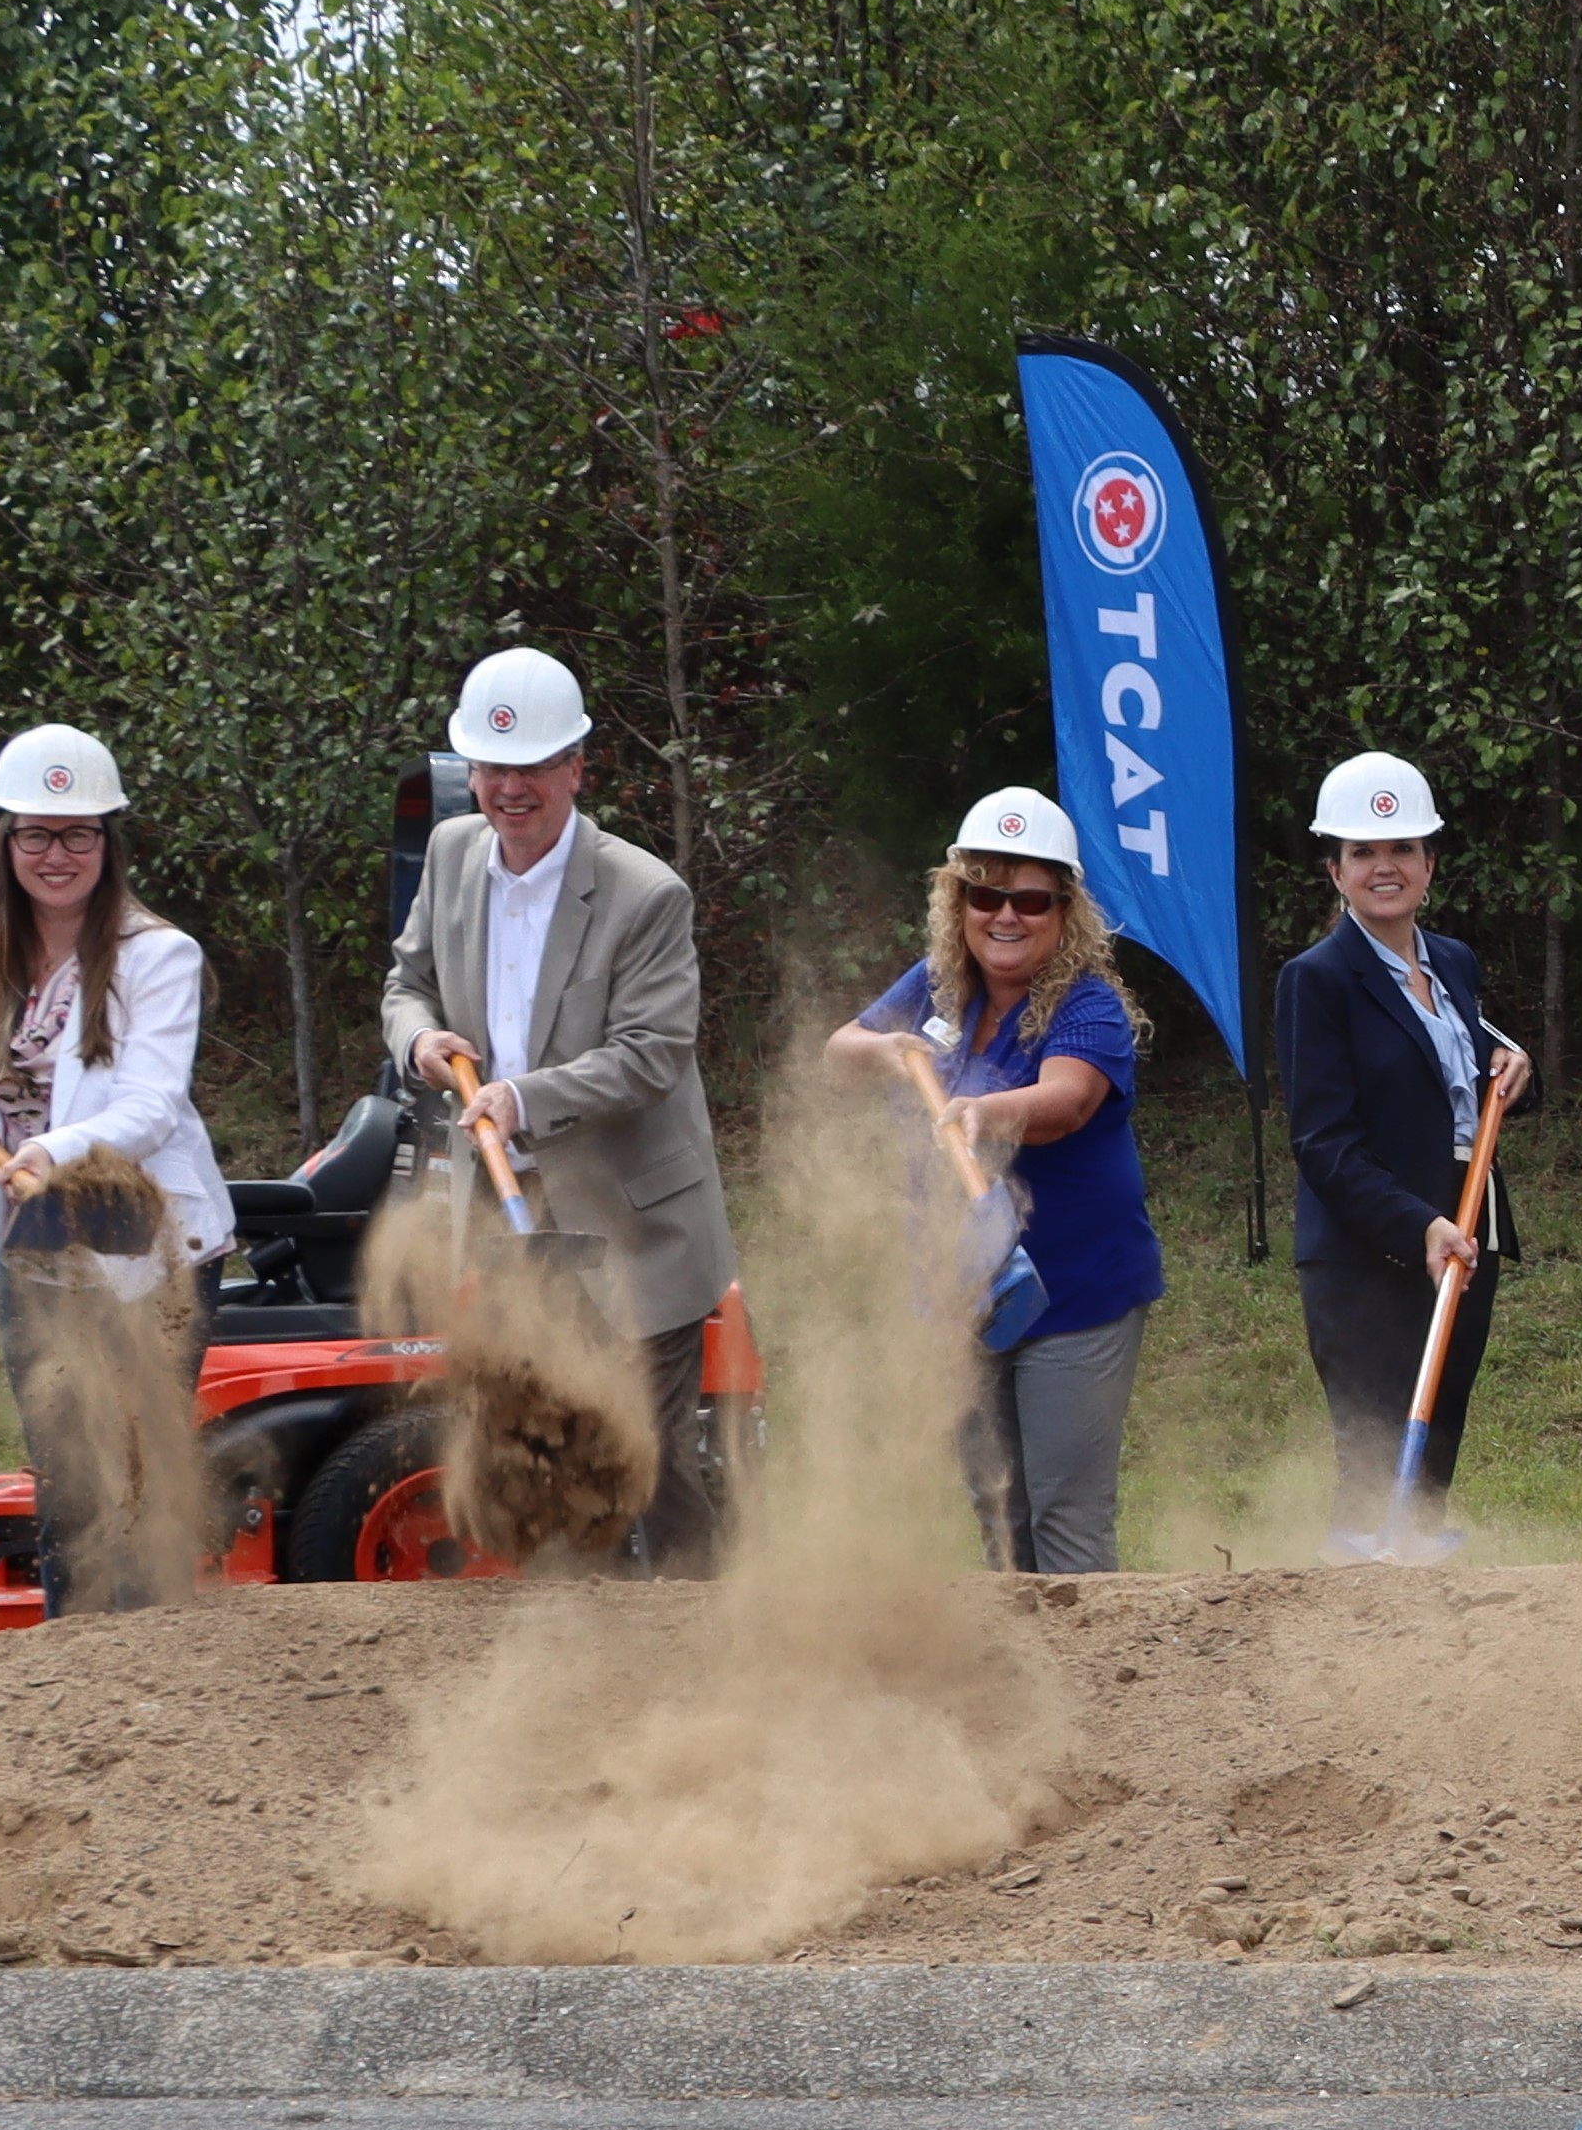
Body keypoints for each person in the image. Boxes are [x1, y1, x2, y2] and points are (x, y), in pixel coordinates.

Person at [380, 646, 743, 1569]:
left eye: (532, 767)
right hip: (510, 1220)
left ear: (576, 767)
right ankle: (574, 1653)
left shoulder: (645, 893)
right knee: (536, 1445)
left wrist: (518, 1098)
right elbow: (407, 983)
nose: (509, 788)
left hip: (631, 1220)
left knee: (641, 1454)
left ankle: (713, 1642)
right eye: (493, 768)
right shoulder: (455, 855)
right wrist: (419, 1041)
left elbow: (651, 1056)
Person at [824, 787, 1158, 1575]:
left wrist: (983, 1111)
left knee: (1064, 1521)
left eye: (1031, 899)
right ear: (958, 900)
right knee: (997, 1515)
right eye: (984, 894)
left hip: (1076, 1295)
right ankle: (1019, 1688)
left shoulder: (1089, 1005)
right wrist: (892, 1053)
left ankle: (1087, 1693)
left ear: (1064, 910)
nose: (1005, 917)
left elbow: (1067, 1102)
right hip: (961, 1291)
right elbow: (841, 1051)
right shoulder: (937, 986)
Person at [0, 725, 232, 1608]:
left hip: (145, 1246)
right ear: (7, 842)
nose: (56, 854)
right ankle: (77, 1679)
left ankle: (153, 1669)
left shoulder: (159, 956)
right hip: (38, 1247)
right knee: (66, 1476)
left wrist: (48, 1151)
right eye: (35, 832)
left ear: (110, 842)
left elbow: (149, 1107)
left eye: (79, 834)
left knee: (137, 1470)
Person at [1275, 751, 1530, 1549]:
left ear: (1429, 862)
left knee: (1436, 1446)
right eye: (1364, 853)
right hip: (1370, 1248)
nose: (1386, 867)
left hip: (1466, 1228)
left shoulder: (1452, 961)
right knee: (1378, 1452)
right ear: (1336, 870)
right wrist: (1415, 1226)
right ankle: (1354, 1623)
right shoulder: (1315, 980)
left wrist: (1519, 1067)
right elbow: (1323, 1141)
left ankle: (1417, 1632)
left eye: (1403, 849)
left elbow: (1470, 1074)